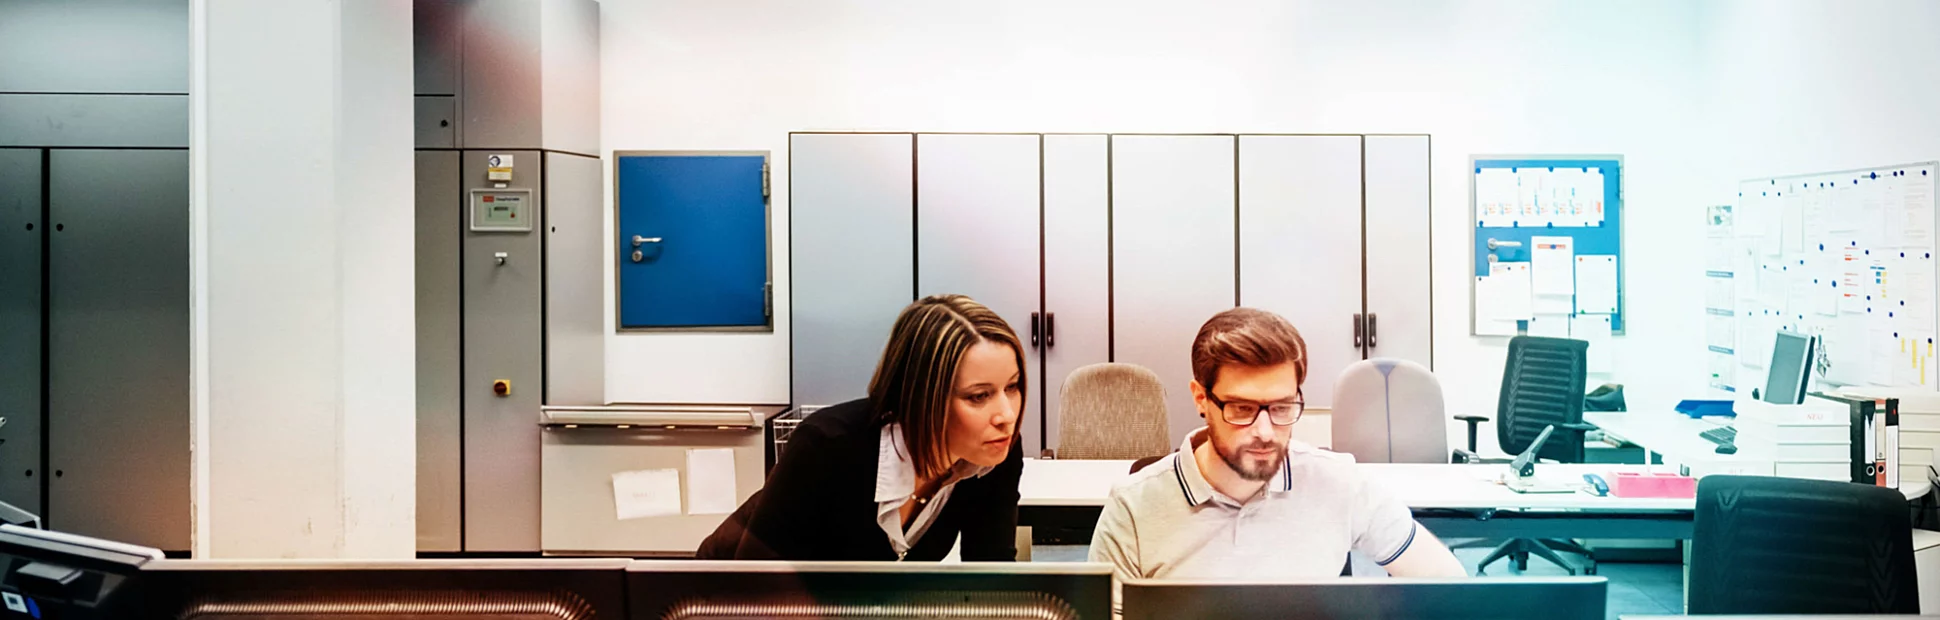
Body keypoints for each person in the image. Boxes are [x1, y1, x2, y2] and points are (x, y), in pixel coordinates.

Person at [1089, 307, 1466, 581]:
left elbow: (1447, 585)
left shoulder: (1339, 483)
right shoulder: (1134, 507)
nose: (1266, 432)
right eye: (1242, 408)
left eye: (1283, 407)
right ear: (1201, 399)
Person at [698, 294, 1026, 561]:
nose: (1006, 415)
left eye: (1012, 387)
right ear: (921, 395)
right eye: (979, 396)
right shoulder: (827, 446)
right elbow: (755, 596)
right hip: (724, 601)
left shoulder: (994, 451)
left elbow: (992, 580)